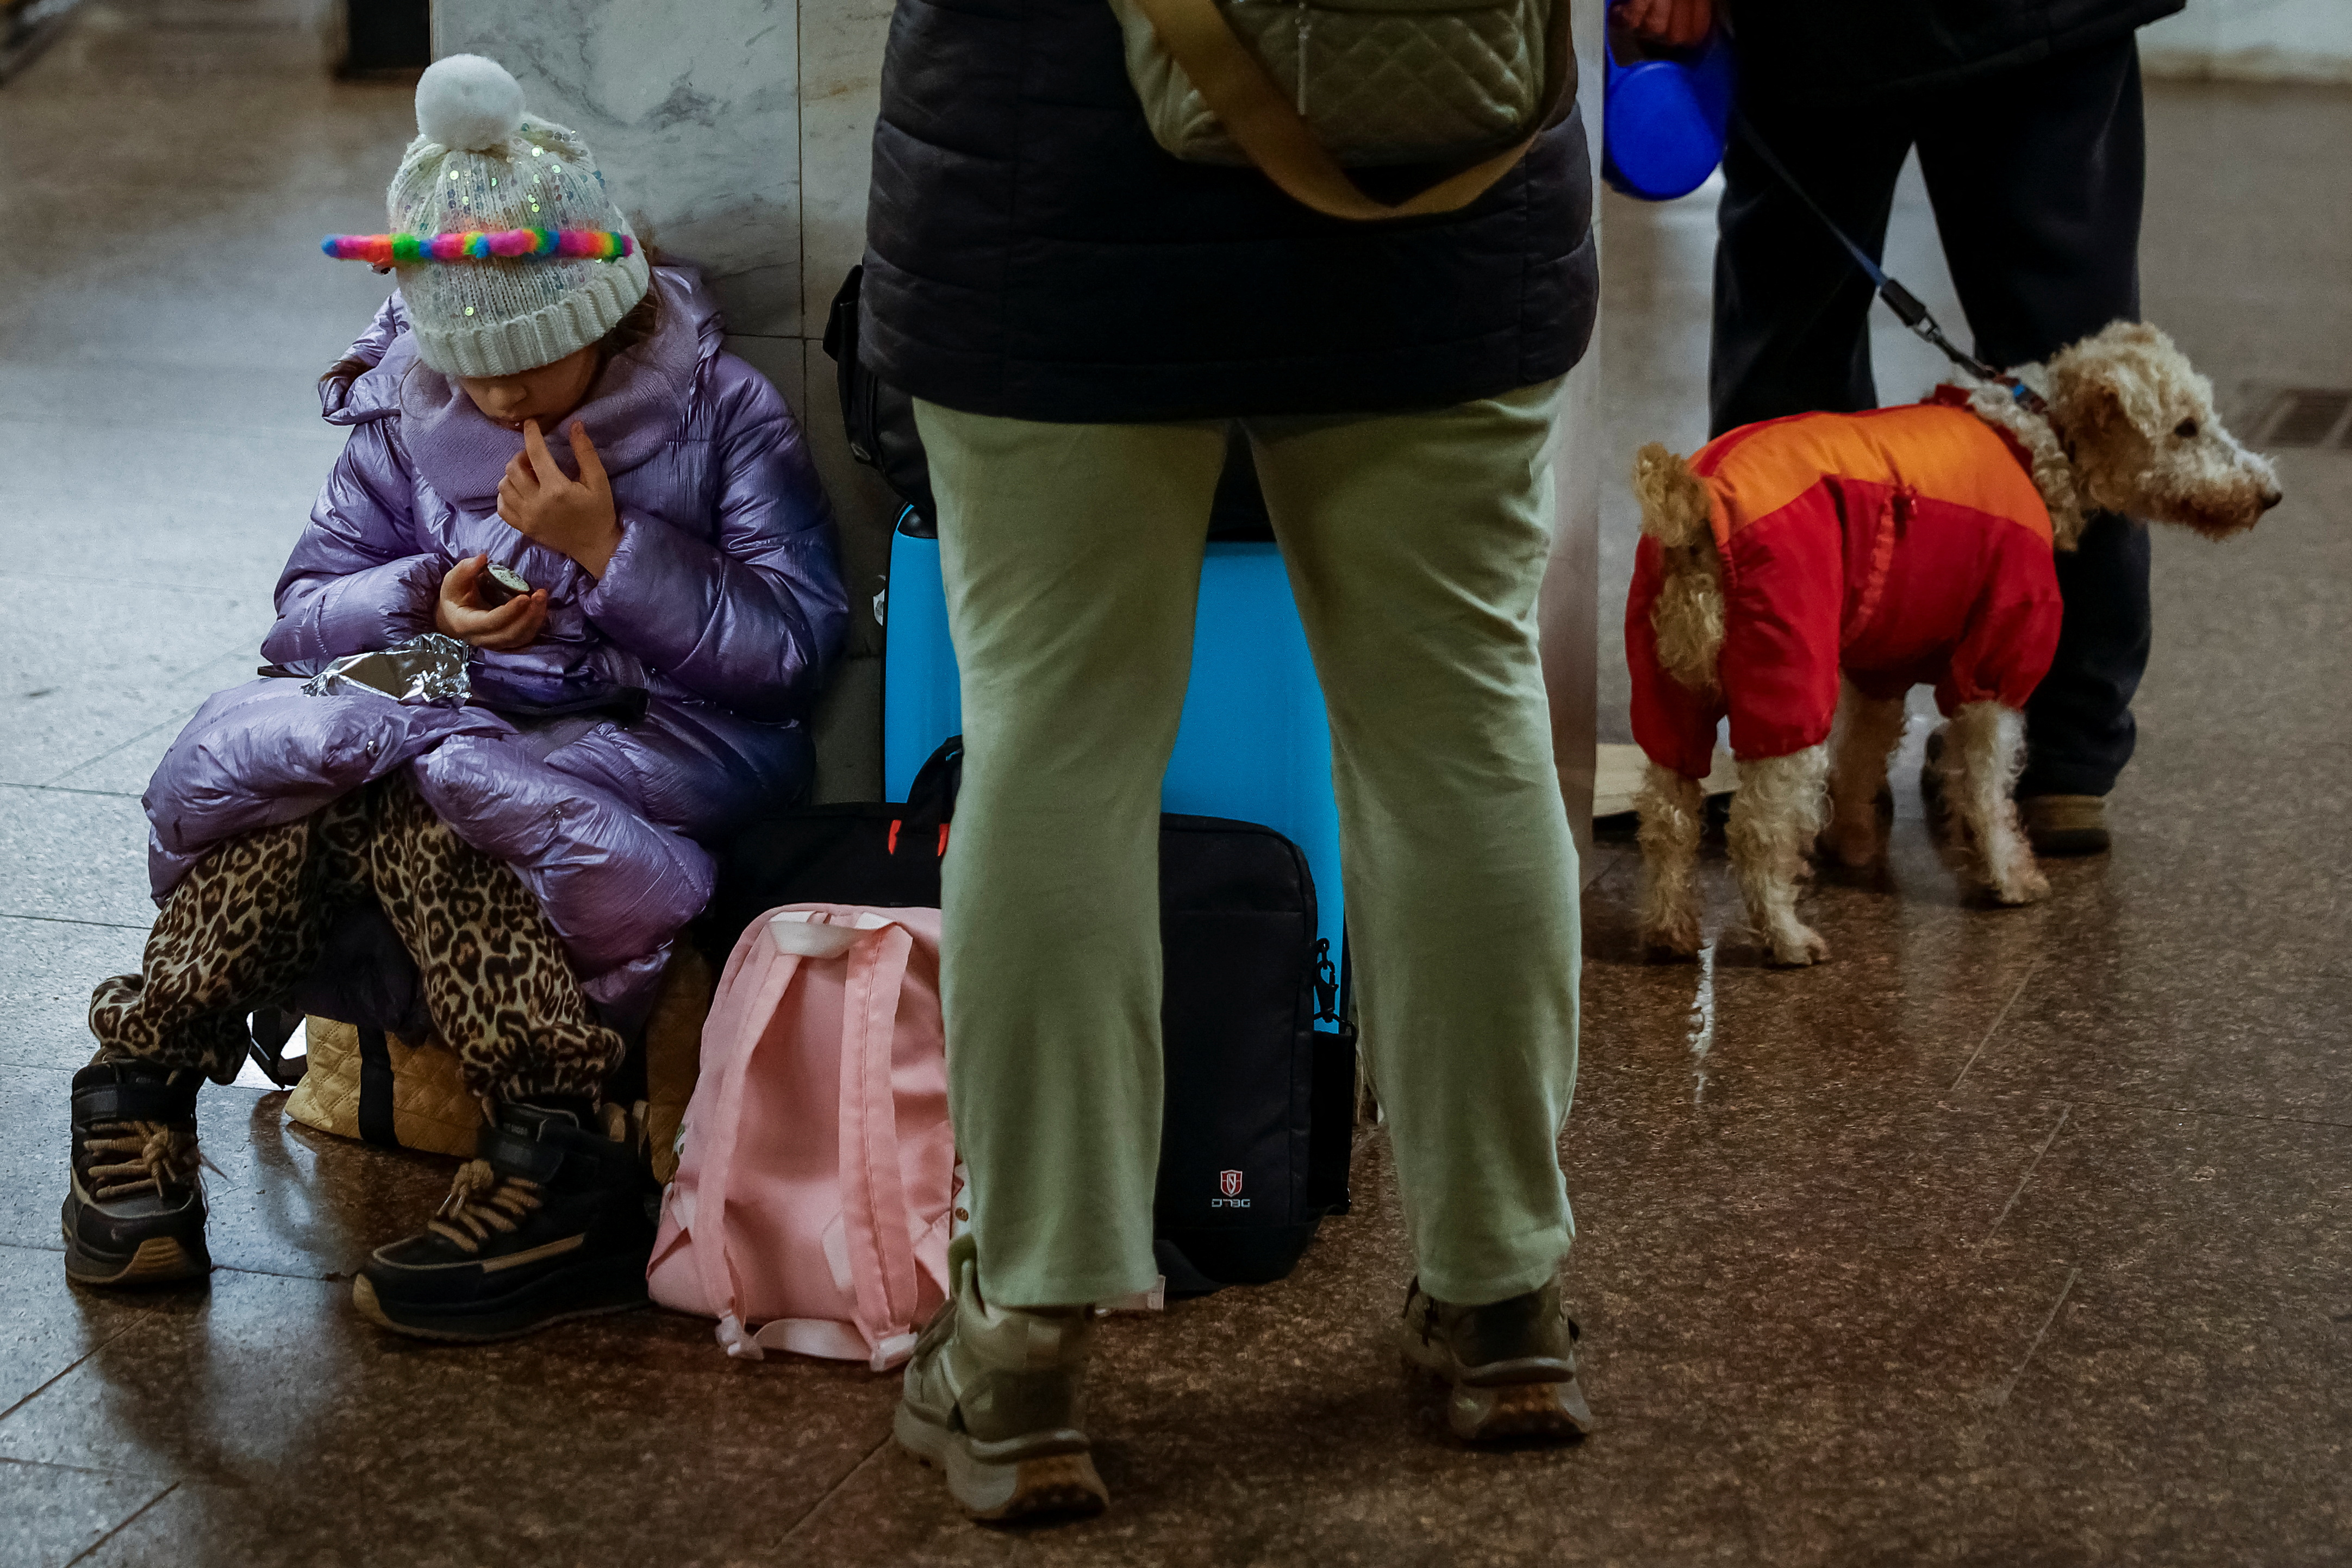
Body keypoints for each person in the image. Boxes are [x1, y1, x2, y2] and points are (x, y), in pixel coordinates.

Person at [860, 0, 1598, 1523]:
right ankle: (1501, 1295)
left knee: (1055, 749)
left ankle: (1025, 1347)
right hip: (1441, 167)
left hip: (1048, 183)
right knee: (1460, 731)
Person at [61, 56, 848, 1342]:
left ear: (609, 306)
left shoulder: (719, 409)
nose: (499, 395)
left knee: (453, 797)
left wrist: (612, 553)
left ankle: (557, 1155)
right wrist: (425, 597)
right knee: (306, 768)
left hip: (658, 725)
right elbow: (300, 613)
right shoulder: (401, 413)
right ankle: (135, 1088)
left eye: (535, 361)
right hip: (449, 682)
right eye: (471, 366)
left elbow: (793, 647)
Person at [1628, 0, 2186, 853]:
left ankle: (1785, 745)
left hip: (1822, 33)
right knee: (2075, 375)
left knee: (1792, 364)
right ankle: (2058, 751)